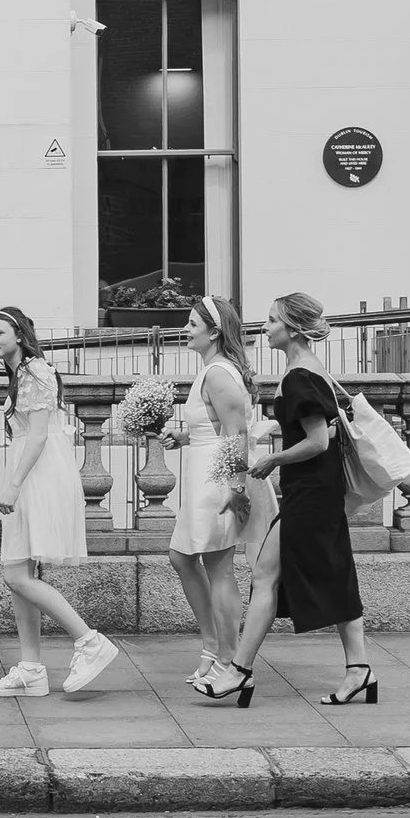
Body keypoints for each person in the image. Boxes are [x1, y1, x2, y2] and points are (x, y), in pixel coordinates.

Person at [206, 292, 373, 708]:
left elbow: (317, 441)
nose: (264, 328)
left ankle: (238, 672)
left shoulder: (300, 375)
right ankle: (359, 670)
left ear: (292, 329)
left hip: (312, 492)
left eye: (271, 321)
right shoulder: (312, 369)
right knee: (328, 573)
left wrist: (271, 461)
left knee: (267, 575)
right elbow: (325, 434)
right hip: (317, 490)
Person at [0, 306, 120, 698]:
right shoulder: (22, 372)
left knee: (16, 574)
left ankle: (89, 641)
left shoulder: (35, 371)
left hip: (36, 476)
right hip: (30, 472)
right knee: (19, 574)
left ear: (19, 334)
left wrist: (13, 486)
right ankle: (31, 669)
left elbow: (38, 436)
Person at [162, 295, 265, 696]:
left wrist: (237, 490)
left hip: (218, 480)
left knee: (218, 567)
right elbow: (218, 427)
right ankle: (214, 648)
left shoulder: (219, 373)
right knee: (183, 557)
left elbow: (237, 433)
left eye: (192, 324)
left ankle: (228, 659)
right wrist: (184, 436)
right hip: (207, 471)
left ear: (214, 332)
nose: (185, 330)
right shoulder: (214, 370)